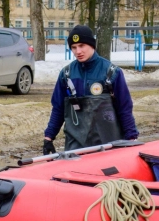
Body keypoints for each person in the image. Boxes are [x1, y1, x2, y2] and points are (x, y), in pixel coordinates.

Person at [42, 25, 138, 154]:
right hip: (75, 144)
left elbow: (124, 107)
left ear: (92, 45)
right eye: (74, 47)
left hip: (108, 143)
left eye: (82, 46)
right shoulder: (66, 74)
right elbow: (58, 108)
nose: (78, 51)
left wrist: (131, 137)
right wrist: (49, 137)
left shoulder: (111, 73)